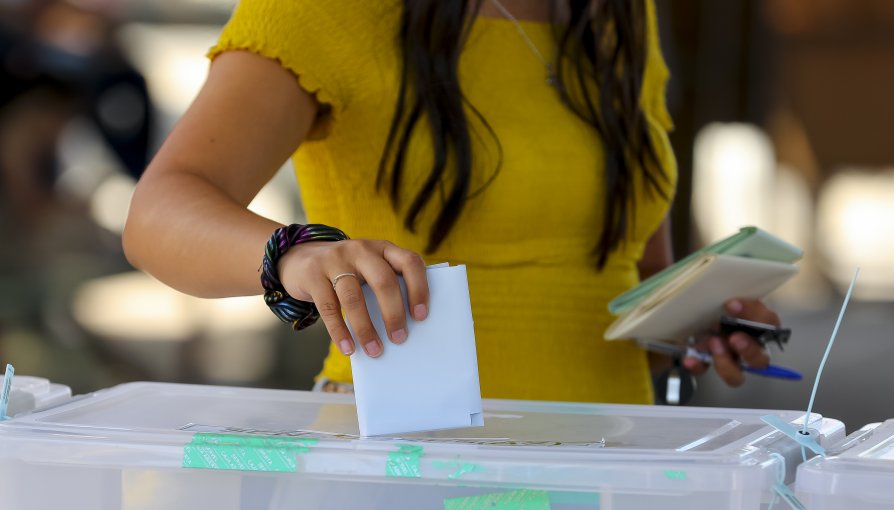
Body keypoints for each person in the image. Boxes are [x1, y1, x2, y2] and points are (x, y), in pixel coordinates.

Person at [123, 0, 779, 404]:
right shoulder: (325, 9)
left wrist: (691, 324)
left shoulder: (617, 13)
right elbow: (158, 213)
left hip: (607, 465)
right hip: (408, 468)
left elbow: (626, 278)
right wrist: (295, 257)